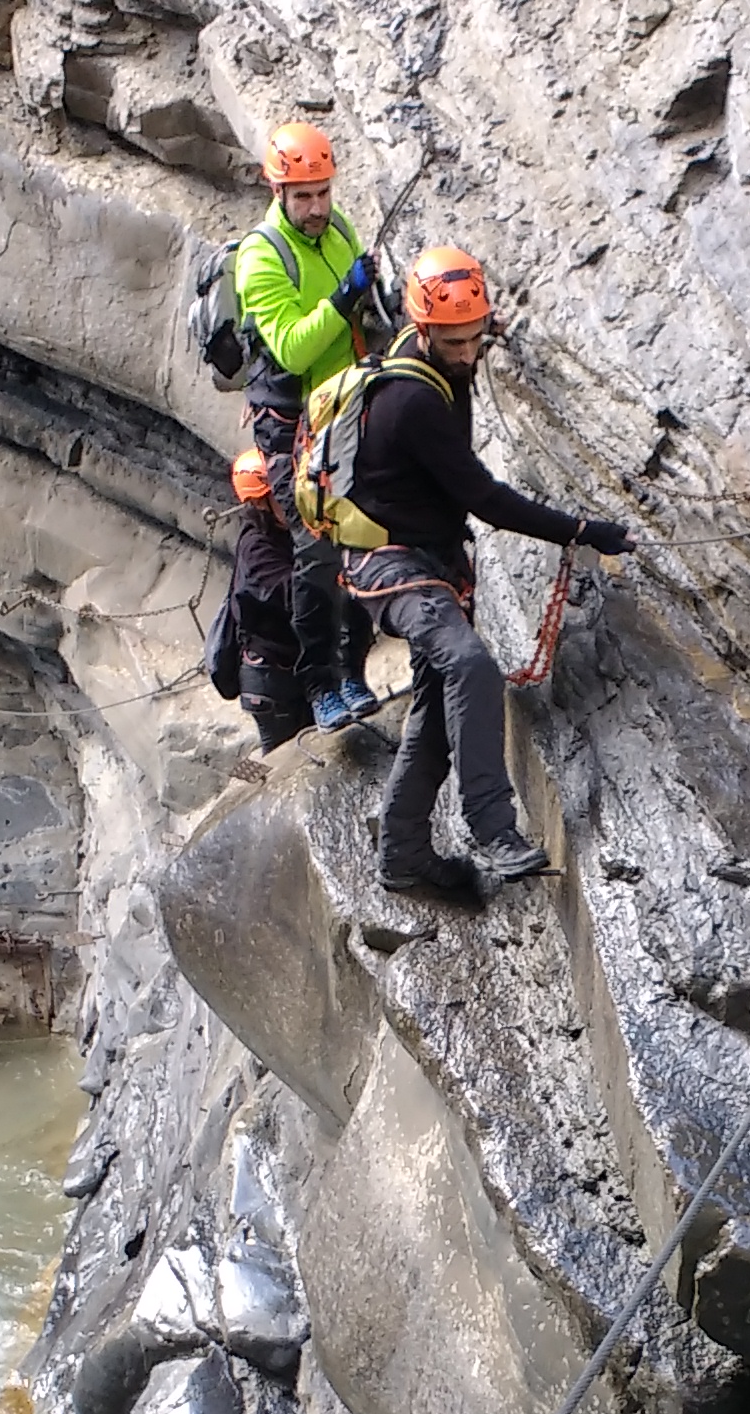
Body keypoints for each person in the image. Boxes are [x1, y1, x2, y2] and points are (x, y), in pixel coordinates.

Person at [342, 246, 634, 899]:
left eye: (477, 336)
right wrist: (582, 531)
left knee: (436, 713)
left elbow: (463, 336)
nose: (470, 352)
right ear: (422, 330)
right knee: (469, 665)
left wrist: (482, 332)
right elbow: (486, 499)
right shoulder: (410, 402)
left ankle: (404, 856)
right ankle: (492, 829)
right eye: (456, 342)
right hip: (391, 566)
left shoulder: (432, 354)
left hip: (427, 561)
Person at [234, 123, 383, 733]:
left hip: (343, 408)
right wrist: (344, 299)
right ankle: (320, 685)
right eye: (304, 197)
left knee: (362, 537)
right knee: (316, 552)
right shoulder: (261, 257)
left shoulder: (338, 228)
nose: (317, 207)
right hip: (291, 422)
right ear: (278, 191)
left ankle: (353, 673)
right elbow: (294, 350)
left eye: (323, 192)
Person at [224, 450, 310, 750]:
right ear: (260, 502)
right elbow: (294, 595)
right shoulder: (257, 548)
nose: (292, 499)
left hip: (288, 668)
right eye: (281, 493)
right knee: (284, 758)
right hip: (272, 679)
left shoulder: (285, 532)